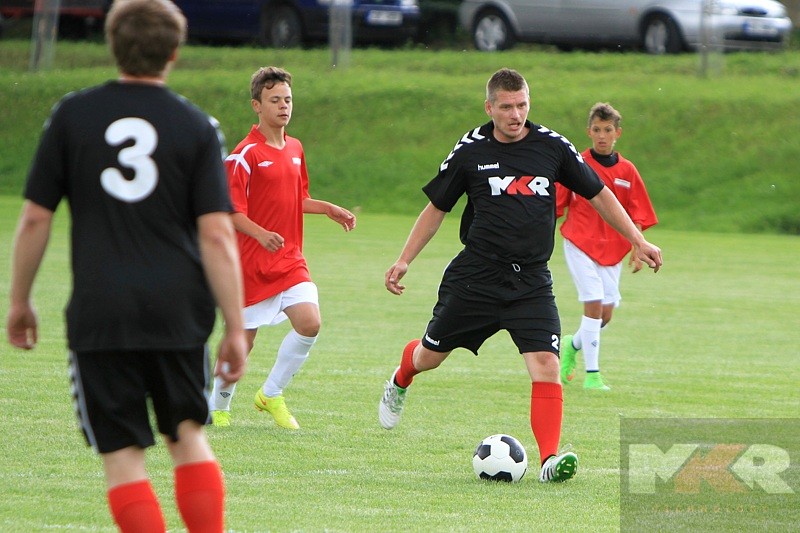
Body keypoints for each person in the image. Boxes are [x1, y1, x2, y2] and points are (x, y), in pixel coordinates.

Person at [5, 1, 248, 531]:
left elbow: (35, 219)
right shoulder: (197, 125)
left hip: (102, 312)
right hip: (178, 311)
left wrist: (19, 300)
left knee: (122, 456)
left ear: (110, 43)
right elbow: (216, 233)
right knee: (188, 436)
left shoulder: (72, 115)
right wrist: (234, 324)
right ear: (175, 52)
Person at [377, 68, 662, 483]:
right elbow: (437, 208)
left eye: (522, 105)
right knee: (429, 357)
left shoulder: (552, 146)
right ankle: (401, 378)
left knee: (546, 363)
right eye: (507, 107)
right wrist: (405, 259)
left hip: (531, 281)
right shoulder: (471, 150)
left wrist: (637, 239)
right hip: (476, 276)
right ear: (489, 107)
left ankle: (549, 461)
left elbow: (599, 194)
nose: (515, 114)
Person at [208, 66, 356, 430]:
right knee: (242, 343)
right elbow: (229, 211)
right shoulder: (244, 155)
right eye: (274, 100)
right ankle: (218, 406)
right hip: (250, 263)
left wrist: (327, 208)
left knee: (310, 322)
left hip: (289, 258)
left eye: (287, 99)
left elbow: (297, 197)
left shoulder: (295, 148)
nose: (283, 106)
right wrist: (260, 234)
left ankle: (271, 394)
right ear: (256, 105)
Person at [556, 102, 658, 391]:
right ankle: (593, 375)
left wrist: (638, 246)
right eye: (597, 130)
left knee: (605, 314)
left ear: (617, 133)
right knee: (593, 302)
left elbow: (637, 211)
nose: (602, 136)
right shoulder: (577, 164)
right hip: (580, 242)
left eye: (608, 130)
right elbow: (555, 203)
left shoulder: (627, 170)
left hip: (612, 249)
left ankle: (572, 345)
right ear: (589, 132)